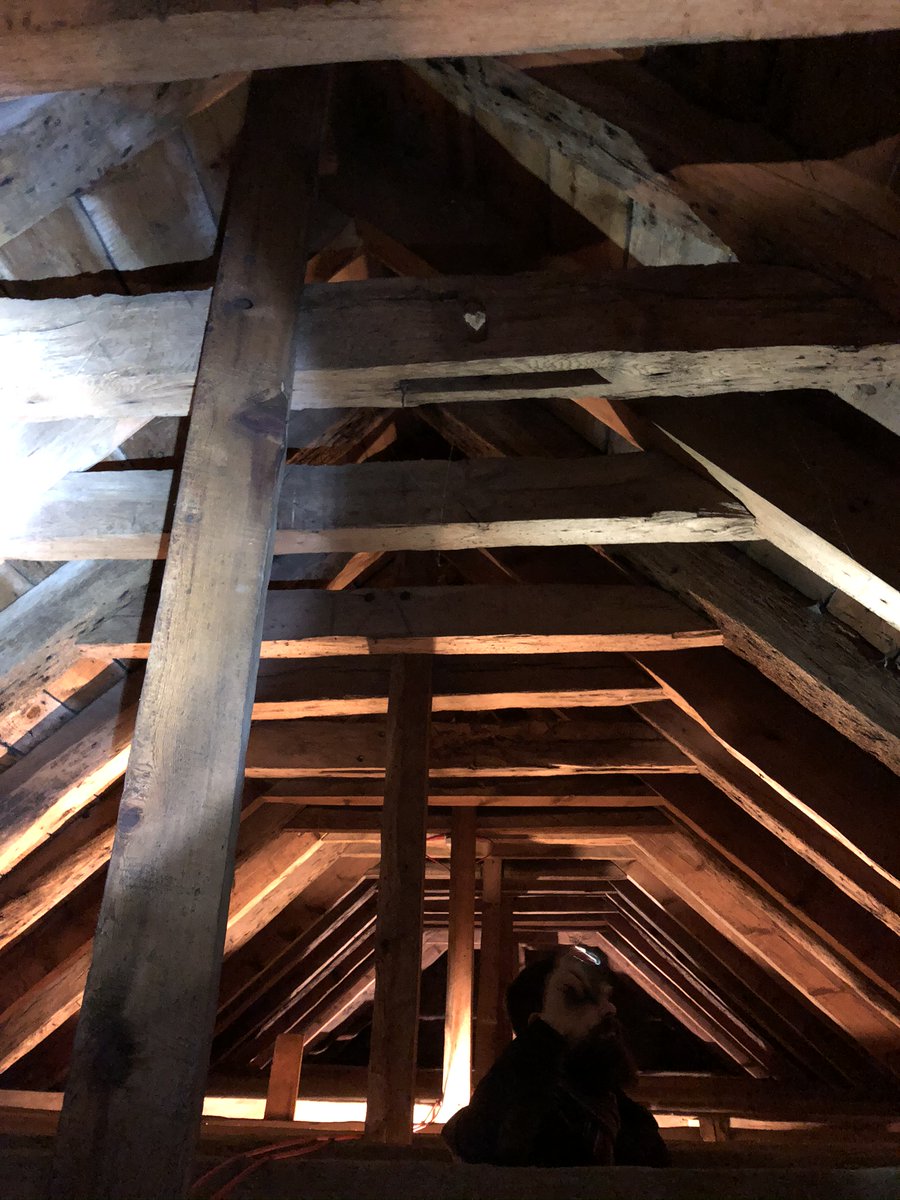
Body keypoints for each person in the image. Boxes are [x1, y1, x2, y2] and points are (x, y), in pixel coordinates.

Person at [442, 947, 669, 1167]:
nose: (610, 1009)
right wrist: (547, 1031)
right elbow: (478, 1141)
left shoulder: (633, 1123)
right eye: (581, 1001)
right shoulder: (522, 1115)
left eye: (605, 998)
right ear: (540, 1025)